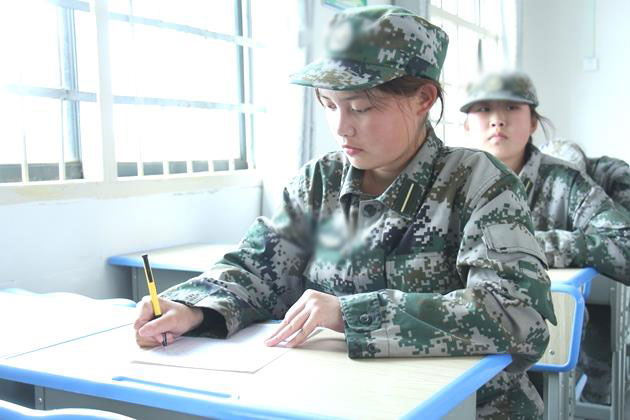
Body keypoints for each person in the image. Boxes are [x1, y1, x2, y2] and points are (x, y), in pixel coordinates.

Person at [134, 7, 556, 418]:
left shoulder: (480, 183)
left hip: (469, 409)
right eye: (329, 104)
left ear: (423, 98)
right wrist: (193, 308)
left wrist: (349, 313)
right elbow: (256, 269)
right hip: (337, 401)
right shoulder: (319, 182)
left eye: (361, 107)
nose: (340, 128)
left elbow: (515, 316)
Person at [461, 71, 630, 404]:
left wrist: (534, 246)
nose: (497, 120)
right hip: (471, 342)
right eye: (483, 109)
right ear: (466, 125)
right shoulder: (450, 183)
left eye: (512, 108)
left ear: (533, 122)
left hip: (550, 342)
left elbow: (624, 242)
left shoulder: (564, 182)